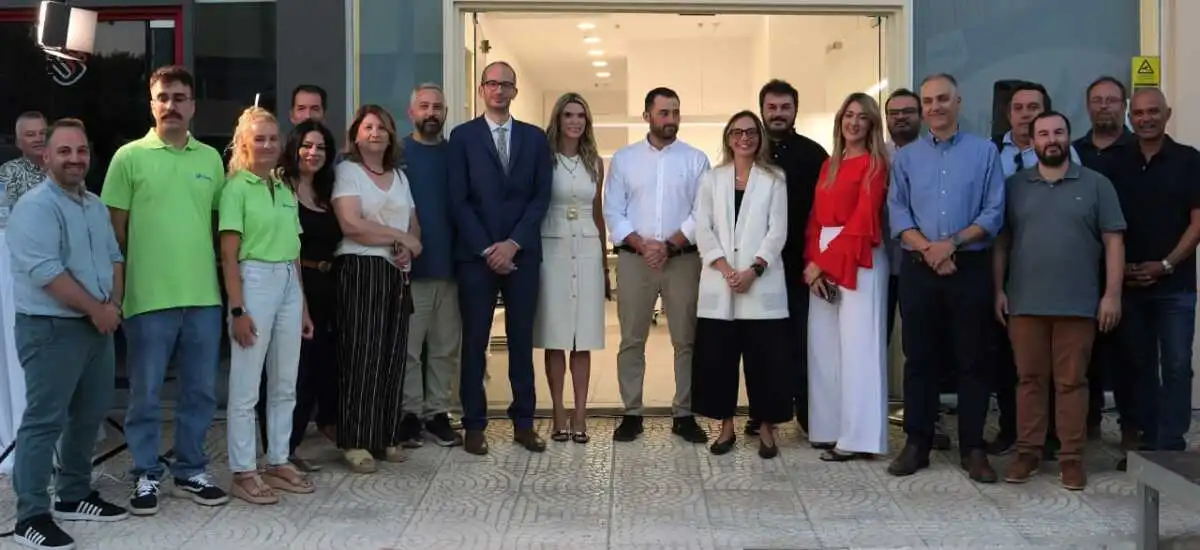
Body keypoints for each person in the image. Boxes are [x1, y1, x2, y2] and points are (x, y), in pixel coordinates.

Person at [101, 64, 229, 515]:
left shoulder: (210, 160)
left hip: (203, 298)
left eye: (179, 97)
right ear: (152, 104)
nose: (171, 105)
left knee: (200, 393)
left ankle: (191, 469)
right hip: (148, 298)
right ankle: (146, 474)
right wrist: (116, 296)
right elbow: (114, 238)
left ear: (193, 105)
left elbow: (218, 229)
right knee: (146, 395)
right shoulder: (128, 158)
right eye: (163, 97)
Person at [7, 118, 129, 550]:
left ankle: (74, 494)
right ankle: (30, 516)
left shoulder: (93, 205)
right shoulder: (35, 207)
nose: (75, 159)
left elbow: (114, 257)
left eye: (81, 151)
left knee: (89, 414)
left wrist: (113, 306)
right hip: (51, 329)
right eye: (64, 151)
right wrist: (98, 310)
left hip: (97, 326)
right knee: (44, 421)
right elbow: (47, 272)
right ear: (46, 157)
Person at [994, 111, 1126, 490]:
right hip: (1025, 303)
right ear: (1032, 141)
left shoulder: (1097, 184)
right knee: (1029, 381)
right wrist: (998, 290)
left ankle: (1071, 458)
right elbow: (1001, 243)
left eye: (1058, 132)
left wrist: (1112, 295)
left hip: (1078, 303)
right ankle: (1028, 453)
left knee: (1071, 383)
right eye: (1043, 134)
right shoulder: (1014, 186)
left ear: (1068, 137)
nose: (1051, 139)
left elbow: (1114, 242)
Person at [886, 73, 1005, 483]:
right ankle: (917, 443)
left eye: (942, 99)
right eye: (928, 101)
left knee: (973, 359)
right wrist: (929, 250)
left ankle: (973, 447)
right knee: (919, 359)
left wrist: (950, 244)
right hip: (920, 269)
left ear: (958, 102)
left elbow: (994, 212)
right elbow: (898, 213)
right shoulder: (907, 158)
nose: (935, 106)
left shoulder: (984, 152)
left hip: (968, 268)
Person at [448, 61, 553, 455]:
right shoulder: (462, 137)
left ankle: (524, 423)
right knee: (475, 342)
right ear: (481, 89)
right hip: (476, 258)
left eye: (505, 84)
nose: (498, 90)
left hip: (522, 256)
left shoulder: (534, 138)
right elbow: (458, 199)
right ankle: (474, 425)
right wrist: (488, 248)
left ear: (514, 91)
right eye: (491, 83)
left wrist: (513, 244)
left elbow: (540, 197)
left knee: (521, 341)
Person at [218, 107, 317, 503]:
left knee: (285, 381)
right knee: (246, 385)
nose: (268, 145)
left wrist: (303, 305)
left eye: (273, 138)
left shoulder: (284, 186)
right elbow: (229, 256)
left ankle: (277, 459)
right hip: (254, 279)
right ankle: (243, 470)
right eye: (259, 138)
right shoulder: (235, 189)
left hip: (288, 281)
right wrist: (237, 310)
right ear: (244, 143)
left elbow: (295, 252)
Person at [604, 87, 711, 444]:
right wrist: (642, 244)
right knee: (632, 339)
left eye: (676, 113)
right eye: (664, 113)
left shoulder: (695, 160)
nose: (671, 120)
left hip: (683, 260)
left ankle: (684, 414)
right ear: (647, 115)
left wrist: (668, 245)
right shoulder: (624, 159)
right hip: (635, 261)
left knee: (686, 339)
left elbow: (702, 212)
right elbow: (612, 210)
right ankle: (632, 413)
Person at [690, 111, 791, 459]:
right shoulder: (711, 179)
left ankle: (766, 428)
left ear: (759, 137)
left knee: (766, 362)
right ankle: (726, 427)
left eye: (750, 132)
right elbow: (703, 228)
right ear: (728, 138)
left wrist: (753, 270)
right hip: (720, 284)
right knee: (719, 361)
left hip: (760, 283)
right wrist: (724, 267)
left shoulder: (774, 178)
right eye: (737, 132)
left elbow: (778, 230)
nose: (744, 138)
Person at [1107, 88, 1200, 463]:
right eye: (1139, 113)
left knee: (1176, 364)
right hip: (1128, 284)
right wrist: (1121, 270)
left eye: (1153, 111)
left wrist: (1166, 264)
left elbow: (1198, 223)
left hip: (1175, 284)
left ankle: (1171, 443)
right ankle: (1145, 441)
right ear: (1130, 117)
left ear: (1167, 113)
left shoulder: (1189, 160)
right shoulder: (1116, 163)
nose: (1146, 118)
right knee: (1136, 365)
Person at [331, 104, 422, 472]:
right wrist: (399, 237)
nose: (375, 133)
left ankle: (386, 435)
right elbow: (352, 224)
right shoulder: (348, 172)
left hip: (396, 273)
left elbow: (413, 225)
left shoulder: (400, 177)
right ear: (356, 135)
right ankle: (356, 441)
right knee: (362, 355)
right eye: (368, 127)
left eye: (382, 127)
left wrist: (407, 245)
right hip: (361, 268)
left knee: (393, 355)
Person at [805, 93, 891, 461]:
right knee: (823, 348)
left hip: (859, 254)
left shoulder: (875, 165)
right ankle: (828, 427)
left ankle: (860, 438)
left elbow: (863, 219)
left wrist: (822, 263)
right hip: (823, 257)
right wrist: (812, 263)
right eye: (848, 115)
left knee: (859, 349)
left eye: (862, 117)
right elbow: (815, 218)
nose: (854, 122)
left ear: (872, 125)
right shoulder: (829, 164)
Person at [745, 80, 828, 437]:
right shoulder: (748, 153)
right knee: (760, 344)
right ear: (762, 110)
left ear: (795, 110)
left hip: (799, 266)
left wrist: (817, 262)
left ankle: (806, 412)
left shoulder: (815, 155)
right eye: (772, 107)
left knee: (802, 342)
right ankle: (762, 412)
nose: (778, 114)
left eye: (785, 107)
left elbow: (824, 214)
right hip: (756, 267)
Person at [533, 92, 608, 444]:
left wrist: (604, 264)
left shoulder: (595, 163)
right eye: (569, 115)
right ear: (558, 119)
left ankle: (580, 414)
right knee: (556, 335)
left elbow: (598, 213)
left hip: (588, 249)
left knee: (583, 337)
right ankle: (558, 412)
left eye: (581, 115)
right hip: (553, 249)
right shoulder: (544, 159)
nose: (575, 121)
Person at [397, 84, 463, 449]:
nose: (431, 112)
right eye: (424, 106)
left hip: (451, 266)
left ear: (446, 112)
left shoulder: (456, 154)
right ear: (412, 113)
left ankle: (437, 413)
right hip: (411, 269)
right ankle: (409, 414)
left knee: (444, 348)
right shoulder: (397, 154)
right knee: (409, 348)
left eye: (437, 107)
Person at [277, 119, 342, 470]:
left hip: (330, 286)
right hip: (296, 285)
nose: (313, 153)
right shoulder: (281, 188)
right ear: (295, 147)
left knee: (324, 365)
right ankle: (284, 449)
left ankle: (326, 425)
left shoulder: (326, 191)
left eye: (321, 147)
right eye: (307, 145)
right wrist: (301, 304)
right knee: (297, 372)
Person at [0, 111, 47, 207]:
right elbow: (3, 212)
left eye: (43, 133)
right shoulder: (8, 172)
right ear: (18, 143)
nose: (39, 139)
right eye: (30, 134)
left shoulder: (63, 168)